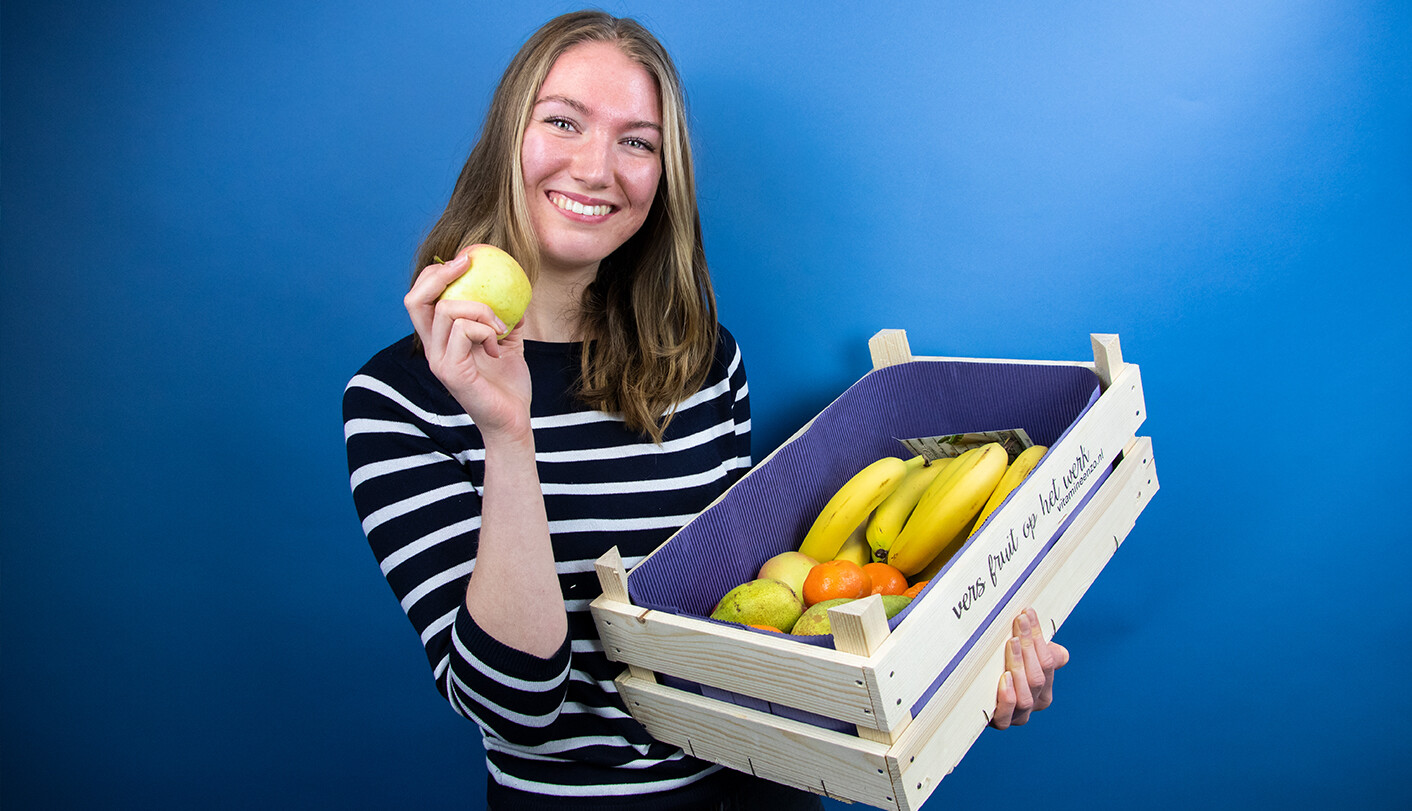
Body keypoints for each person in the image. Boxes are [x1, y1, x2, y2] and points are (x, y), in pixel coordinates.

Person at [343, 10, 1067, 810]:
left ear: (663, 175)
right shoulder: (397, 403)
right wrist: (507, 431)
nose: (596, 167)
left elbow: (749, 624)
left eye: (638, 141)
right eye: (563, 122)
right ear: (507, 138)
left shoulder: (701, 359)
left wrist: (952, 678)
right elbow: (519, 706)